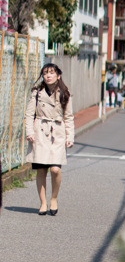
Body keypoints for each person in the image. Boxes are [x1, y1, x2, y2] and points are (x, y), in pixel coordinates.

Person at [24, 63, 75, 216]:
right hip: (40, 132)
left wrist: (70, 136)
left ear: (58, 75)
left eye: (51, 73)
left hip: (57, 133)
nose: (48, 75)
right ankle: (43, 203)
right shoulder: (37, 92)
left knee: (55, 169)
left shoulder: (64, 93)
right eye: (45, 73)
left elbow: (68, 116)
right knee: (41, 170)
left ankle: (53, 198)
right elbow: (29, 114)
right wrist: (29, 132)